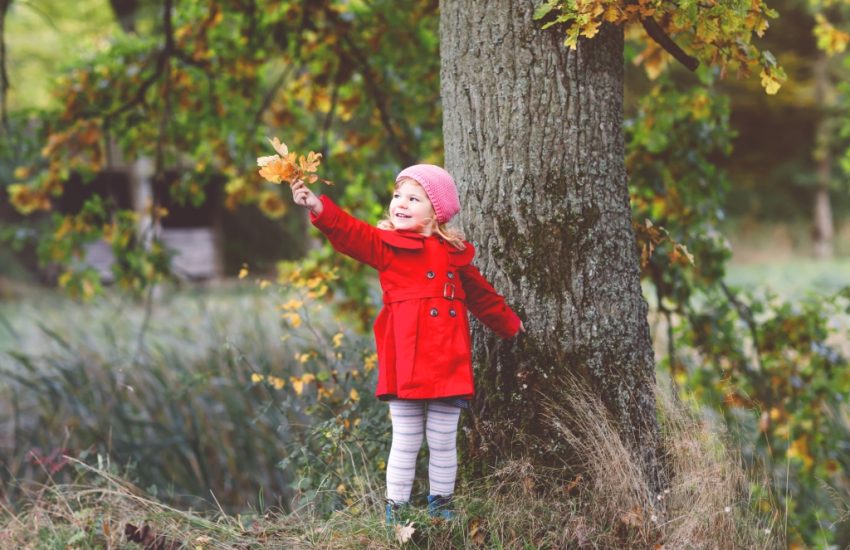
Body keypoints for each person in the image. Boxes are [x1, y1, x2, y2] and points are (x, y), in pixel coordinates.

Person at [289, 164, 524, 522]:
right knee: (407, 437)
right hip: (405, 359)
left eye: (413, 198)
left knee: (444, 439)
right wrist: (318, 207)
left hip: (447, 359)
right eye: (397, 195)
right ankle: (395, 510)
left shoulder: (454, 255)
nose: (400, 203)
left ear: (437, 211)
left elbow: (483, 298)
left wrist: (512, 326)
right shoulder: (387, 245)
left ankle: (441, 505)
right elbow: (352, 233)